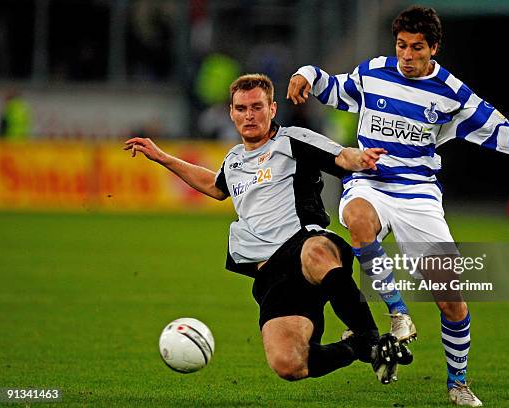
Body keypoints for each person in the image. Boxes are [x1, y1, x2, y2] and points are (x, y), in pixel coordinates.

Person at [287, 6, 509, 406]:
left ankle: (458, 383)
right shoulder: (373, 72)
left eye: (417, 48)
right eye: (402, 46)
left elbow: (498, 132)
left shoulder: (452, 93)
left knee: (452, 300)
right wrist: (306, 74)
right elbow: (332, 87)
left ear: (434, 48)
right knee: (356, 218)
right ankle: (399, 314)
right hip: (370, 182)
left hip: (419, 195)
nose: (407, 56)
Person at [124, 74, 409, 384]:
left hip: (305, 242)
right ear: (231, 113)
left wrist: (360, 158)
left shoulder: (292, 140)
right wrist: (162, 157)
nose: (250, 115)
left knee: (316, 252)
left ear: (272, 109)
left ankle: (371, 342)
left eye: (257, 107)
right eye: (242, 108)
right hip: (271, 273)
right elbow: (216, 186)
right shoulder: (233, 161)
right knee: (289, 364)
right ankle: (355, 346)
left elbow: (340, 155)